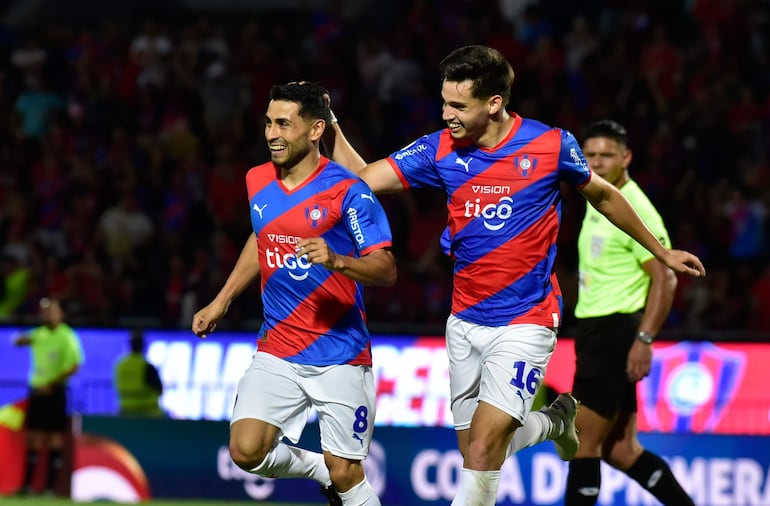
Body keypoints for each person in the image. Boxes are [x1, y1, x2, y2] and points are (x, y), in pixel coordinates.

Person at [323, 45, 705, 505]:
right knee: (473, 451)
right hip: (464, 322)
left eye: (458, 106)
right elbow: (363, 178)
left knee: (483, 450)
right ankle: (555, 422)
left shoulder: (550, 145)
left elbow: (603, 197)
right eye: (444, 102)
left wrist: (660, 251)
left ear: (494, 103)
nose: (446, 114)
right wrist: (333, 125)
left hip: (527, 321)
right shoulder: (440, 149)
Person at [192, 81, 396, 506]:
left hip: (338, 352)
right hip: (279, 346)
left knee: (348, 474)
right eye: (268, 123)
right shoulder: (257, 180)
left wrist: (339, 260)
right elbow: (262, 237)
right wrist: (222, 299)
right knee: (245, 449)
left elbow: (386, 268)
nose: (272, 134)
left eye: (284, 124)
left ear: (316, 129)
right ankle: (319, 468)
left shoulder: (348, 190)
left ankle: (335, 473)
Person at [564, 120, 695, 505]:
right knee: (620, 449)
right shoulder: (597, 197)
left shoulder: (634, 208)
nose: (598, 162)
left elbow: (666, 278)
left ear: (627, 158)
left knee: (582, 444)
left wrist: (644, 340)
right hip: (599, 330)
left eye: (607, 155)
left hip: (615, 333)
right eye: (590, 155)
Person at [13, 297, 84, 496]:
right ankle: (26, 486)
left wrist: (52, 384)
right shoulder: (40, 333)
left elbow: (74, 366)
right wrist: (19, 339)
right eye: (45, 311)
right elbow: (19, 341)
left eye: (52, 310)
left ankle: (50, 489)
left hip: (55, 391)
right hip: (37, 390)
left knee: (54, 438)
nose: (48, 314)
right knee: (33, 438)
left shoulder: (67, 336)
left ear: (61, 313)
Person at [114, 328, 165, 417]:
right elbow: (159, 389)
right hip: (147, 411)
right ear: (143, 345)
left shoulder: (120, 365)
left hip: (125, 410)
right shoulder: (146, 366)